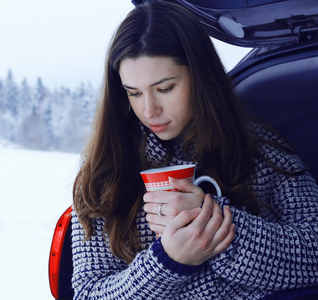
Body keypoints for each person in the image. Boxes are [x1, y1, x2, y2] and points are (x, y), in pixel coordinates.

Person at [70, 1, 318, 299]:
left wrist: (218, 228)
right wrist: (168, 261)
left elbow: (314, 248)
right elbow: (87, 292)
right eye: (134, 93)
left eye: (165, 88)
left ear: (199, 76)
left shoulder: (261, 149)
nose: (149, 110)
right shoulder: (105, 169)